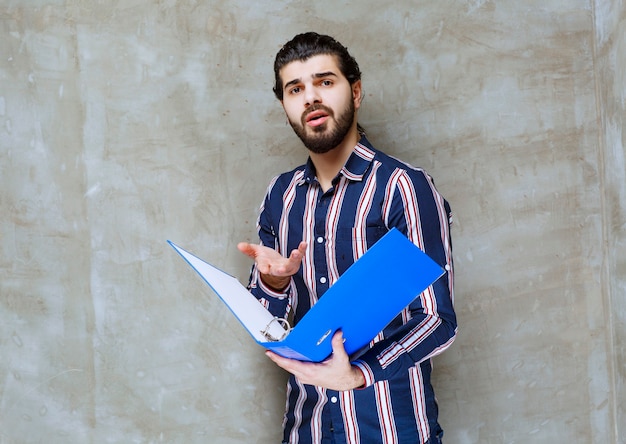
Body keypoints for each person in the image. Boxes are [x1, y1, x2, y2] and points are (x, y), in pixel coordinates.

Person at [237, 32, 457, 444]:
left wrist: (359, 374)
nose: (310, 98)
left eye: (325, 82)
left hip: (393, 430)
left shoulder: (404, 187)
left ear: (354, 92)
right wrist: (273, 284)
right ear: (284, 106)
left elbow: (436, 320)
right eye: (295, 89)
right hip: (307, 428)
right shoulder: (280, 197)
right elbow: (269, 326)